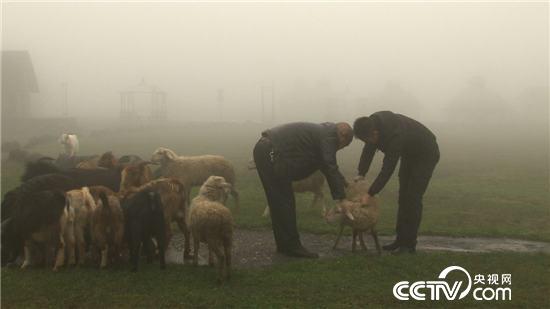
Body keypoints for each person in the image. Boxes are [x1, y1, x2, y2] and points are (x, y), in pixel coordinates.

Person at [253, 122, 353, 258]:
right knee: (284, 201)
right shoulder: (330, 137)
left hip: (266, 149)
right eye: (344, 145)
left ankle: (284, 245)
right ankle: (293, 247)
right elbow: (329, 163)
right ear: (342, 135)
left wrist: (344, 182)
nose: (339, 148)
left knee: (278, 201)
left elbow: (325, 164)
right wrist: (342, 198)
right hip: (271, 152)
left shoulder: (324, 133)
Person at [353, 111, 439, 254]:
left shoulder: (395, 136)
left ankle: (409, 245)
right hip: (409, 154)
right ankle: (400, 239)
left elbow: (387, 169)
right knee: (403, 196)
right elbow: (368, 149)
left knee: (413, 198)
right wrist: (361, 173)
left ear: (375, 133)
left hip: (426, 154)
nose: (368, 143)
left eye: (368, 139)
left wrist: (370, 193)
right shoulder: (372, 124)